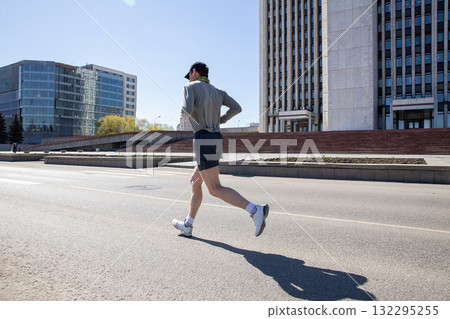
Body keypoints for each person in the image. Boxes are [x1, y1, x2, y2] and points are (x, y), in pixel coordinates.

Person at [172, 62, 269, 238]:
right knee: (195, 181)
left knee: (215, 188)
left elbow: (185, 111)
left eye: (190, 75)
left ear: (194, 72)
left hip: (203, 139)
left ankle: (255, 210)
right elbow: (237, 108)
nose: (190, 78)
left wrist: (184, 110)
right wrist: (222, 119)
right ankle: (188, 224)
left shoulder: (190, 87)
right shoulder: (218, 92)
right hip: (216, 138)